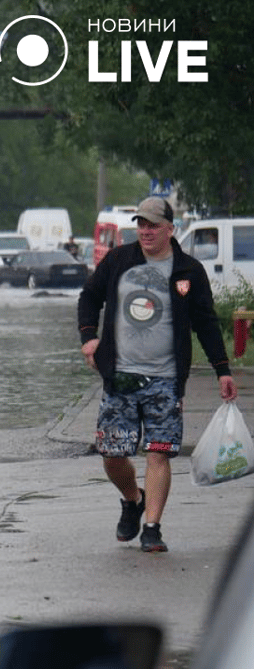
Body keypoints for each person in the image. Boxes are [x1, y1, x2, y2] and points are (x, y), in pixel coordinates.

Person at [78, 196, 238, 553]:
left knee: (159, 452)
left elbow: (206, 323)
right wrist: (90, 338)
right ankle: (133, 499)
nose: (146, 232)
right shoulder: (119, 261)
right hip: (120, 376)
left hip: (166, 379)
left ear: (170, 229)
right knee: (112, 453)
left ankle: (152, 527)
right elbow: (88, 297)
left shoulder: (188, 271)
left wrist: (222, 371)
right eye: (142, 225)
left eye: (153, 226)